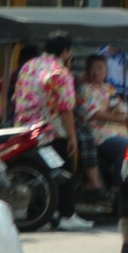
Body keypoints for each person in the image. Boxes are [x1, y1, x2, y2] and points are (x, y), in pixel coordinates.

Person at [12, 31, 84, 227]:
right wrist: (72, 136)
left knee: (36, 173)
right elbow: (66, 108)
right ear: (65, 51)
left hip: (24, 130)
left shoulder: (28, 66)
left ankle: (39, 214)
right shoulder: (60, 71)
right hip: (48, 131)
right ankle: (67, 215)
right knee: (66, 168)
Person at [76, 54, 128, 192]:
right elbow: (94, 113)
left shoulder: (109, 89)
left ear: (106, 71)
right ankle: (117, 186)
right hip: (99, 134)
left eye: (100, 68)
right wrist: (118, 117)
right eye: (93, 68)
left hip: (119, 132)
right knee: (125, 146)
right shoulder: (84, 90)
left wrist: (118, 115)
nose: (97, 72)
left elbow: (123, 109)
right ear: (87, 70)